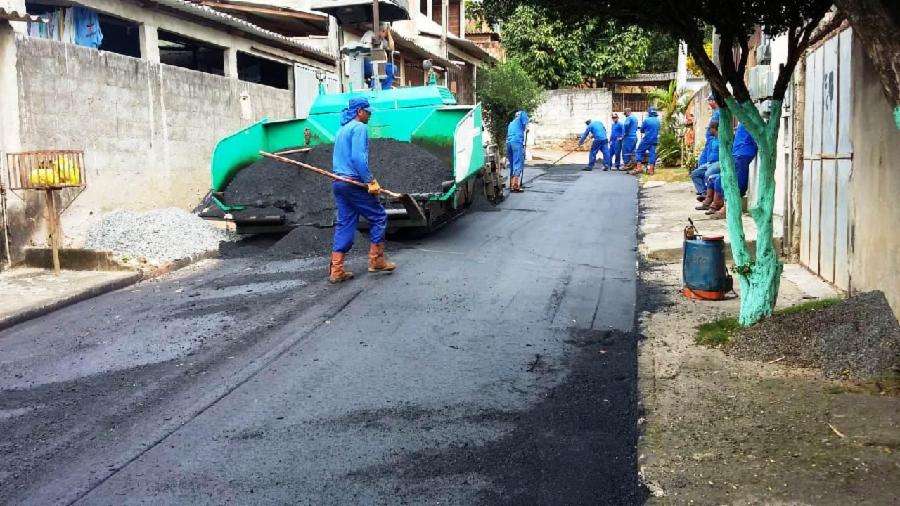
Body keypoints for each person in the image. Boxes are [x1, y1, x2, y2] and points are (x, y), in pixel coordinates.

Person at [328, 96, 396, 284]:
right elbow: (358, 158)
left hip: (339, 183)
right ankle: (376, 261)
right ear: (359, 111)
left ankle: (337, 269)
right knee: (379, 216)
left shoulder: (342, 130)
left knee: (346, 223)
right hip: (353, 182)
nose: (370, 113)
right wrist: (370, 180)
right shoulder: (359, 128)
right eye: (368, 110)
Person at [704, 123, 758, 219]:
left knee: (737, 183)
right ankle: (721, 205)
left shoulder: (748, 120)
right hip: (738, 154)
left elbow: (756, 137)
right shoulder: (742, 122)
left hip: (742, 154)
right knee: (723, 179)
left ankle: (727, 208)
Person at [691, 121, 720, 206]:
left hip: (719, 162)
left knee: (708, 174)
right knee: (695, 174)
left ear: (714, 129)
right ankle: (704, 193)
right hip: (710, 163)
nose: (708, 131)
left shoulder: (721, 138)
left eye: (709, 129)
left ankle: (711, 198)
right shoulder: (713, 140)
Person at [631, 106, 661, 175]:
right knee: (652, 154)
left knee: (639, 151)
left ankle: (639, 167)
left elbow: (641, 130)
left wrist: (645, 130)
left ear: (649, 113)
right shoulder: (658, 121)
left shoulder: (646, 120)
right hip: (654, 140)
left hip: (647, 139)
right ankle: (651, 170)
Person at [507, 110, 529, 192]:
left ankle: (512, 184)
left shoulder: (511, 123)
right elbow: (524, 119)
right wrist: (527, 128)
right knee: (518, 162)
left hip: (509, 143)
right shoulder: (522, 115)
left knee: (513, 163)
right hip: (517, 142)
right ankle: (515, 185)